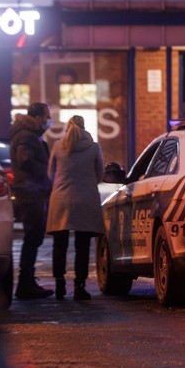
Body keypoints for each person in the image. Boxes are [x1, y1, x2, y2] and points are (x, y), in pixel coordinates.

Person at [46, 115, 105, 301]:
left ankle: (59, 285)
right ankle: (80, 287)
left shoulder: (57, 145)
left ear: (68, 127)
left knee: (60, 245)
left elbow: (50, 174)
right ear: (84, 126)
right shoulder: (94, 147)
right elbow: (100, 174)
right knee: (83, 246)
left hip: (61, 199)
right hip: (85, 198)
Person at [10, 102, 54, 299]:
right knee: (32, 237)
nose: (49, 119)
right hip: (30, 192)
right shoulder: (27, 135)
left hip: (32, 190)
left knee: (34, 237)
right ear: (38, 118)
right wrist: (46, 173)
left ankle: (27, 281)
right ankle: (25, 283)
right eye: (47, 115)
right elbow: (25, 160)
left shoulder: (30, 134)